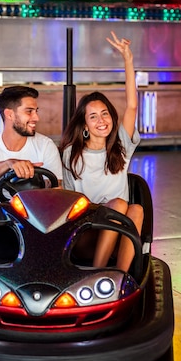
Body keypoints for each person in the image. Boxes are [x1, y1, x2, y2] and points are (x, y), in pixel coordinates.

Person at [59, 31, 143, 273]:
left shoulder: (121, 148)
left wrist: (128, 59)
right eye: (93, 116)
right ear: (84, 125)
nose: (102, 120)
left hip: (118, 231)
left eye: (105, 113)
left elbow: (132, 105)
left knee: (136, 209)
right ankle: (97, 273)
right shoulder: (72, 155)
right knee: (118, 203)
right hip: (85, 231)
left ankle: (120, 276)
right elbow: (68, 201)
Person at [0, 85, 63, 263]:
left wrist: (38, 183)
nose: (36, 117)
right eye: (29, 111)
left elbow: (57, 190)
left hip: (36, 224)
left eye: (36, 111)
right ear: (9, 114)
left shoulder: (45, 145)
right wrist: (9, 164)